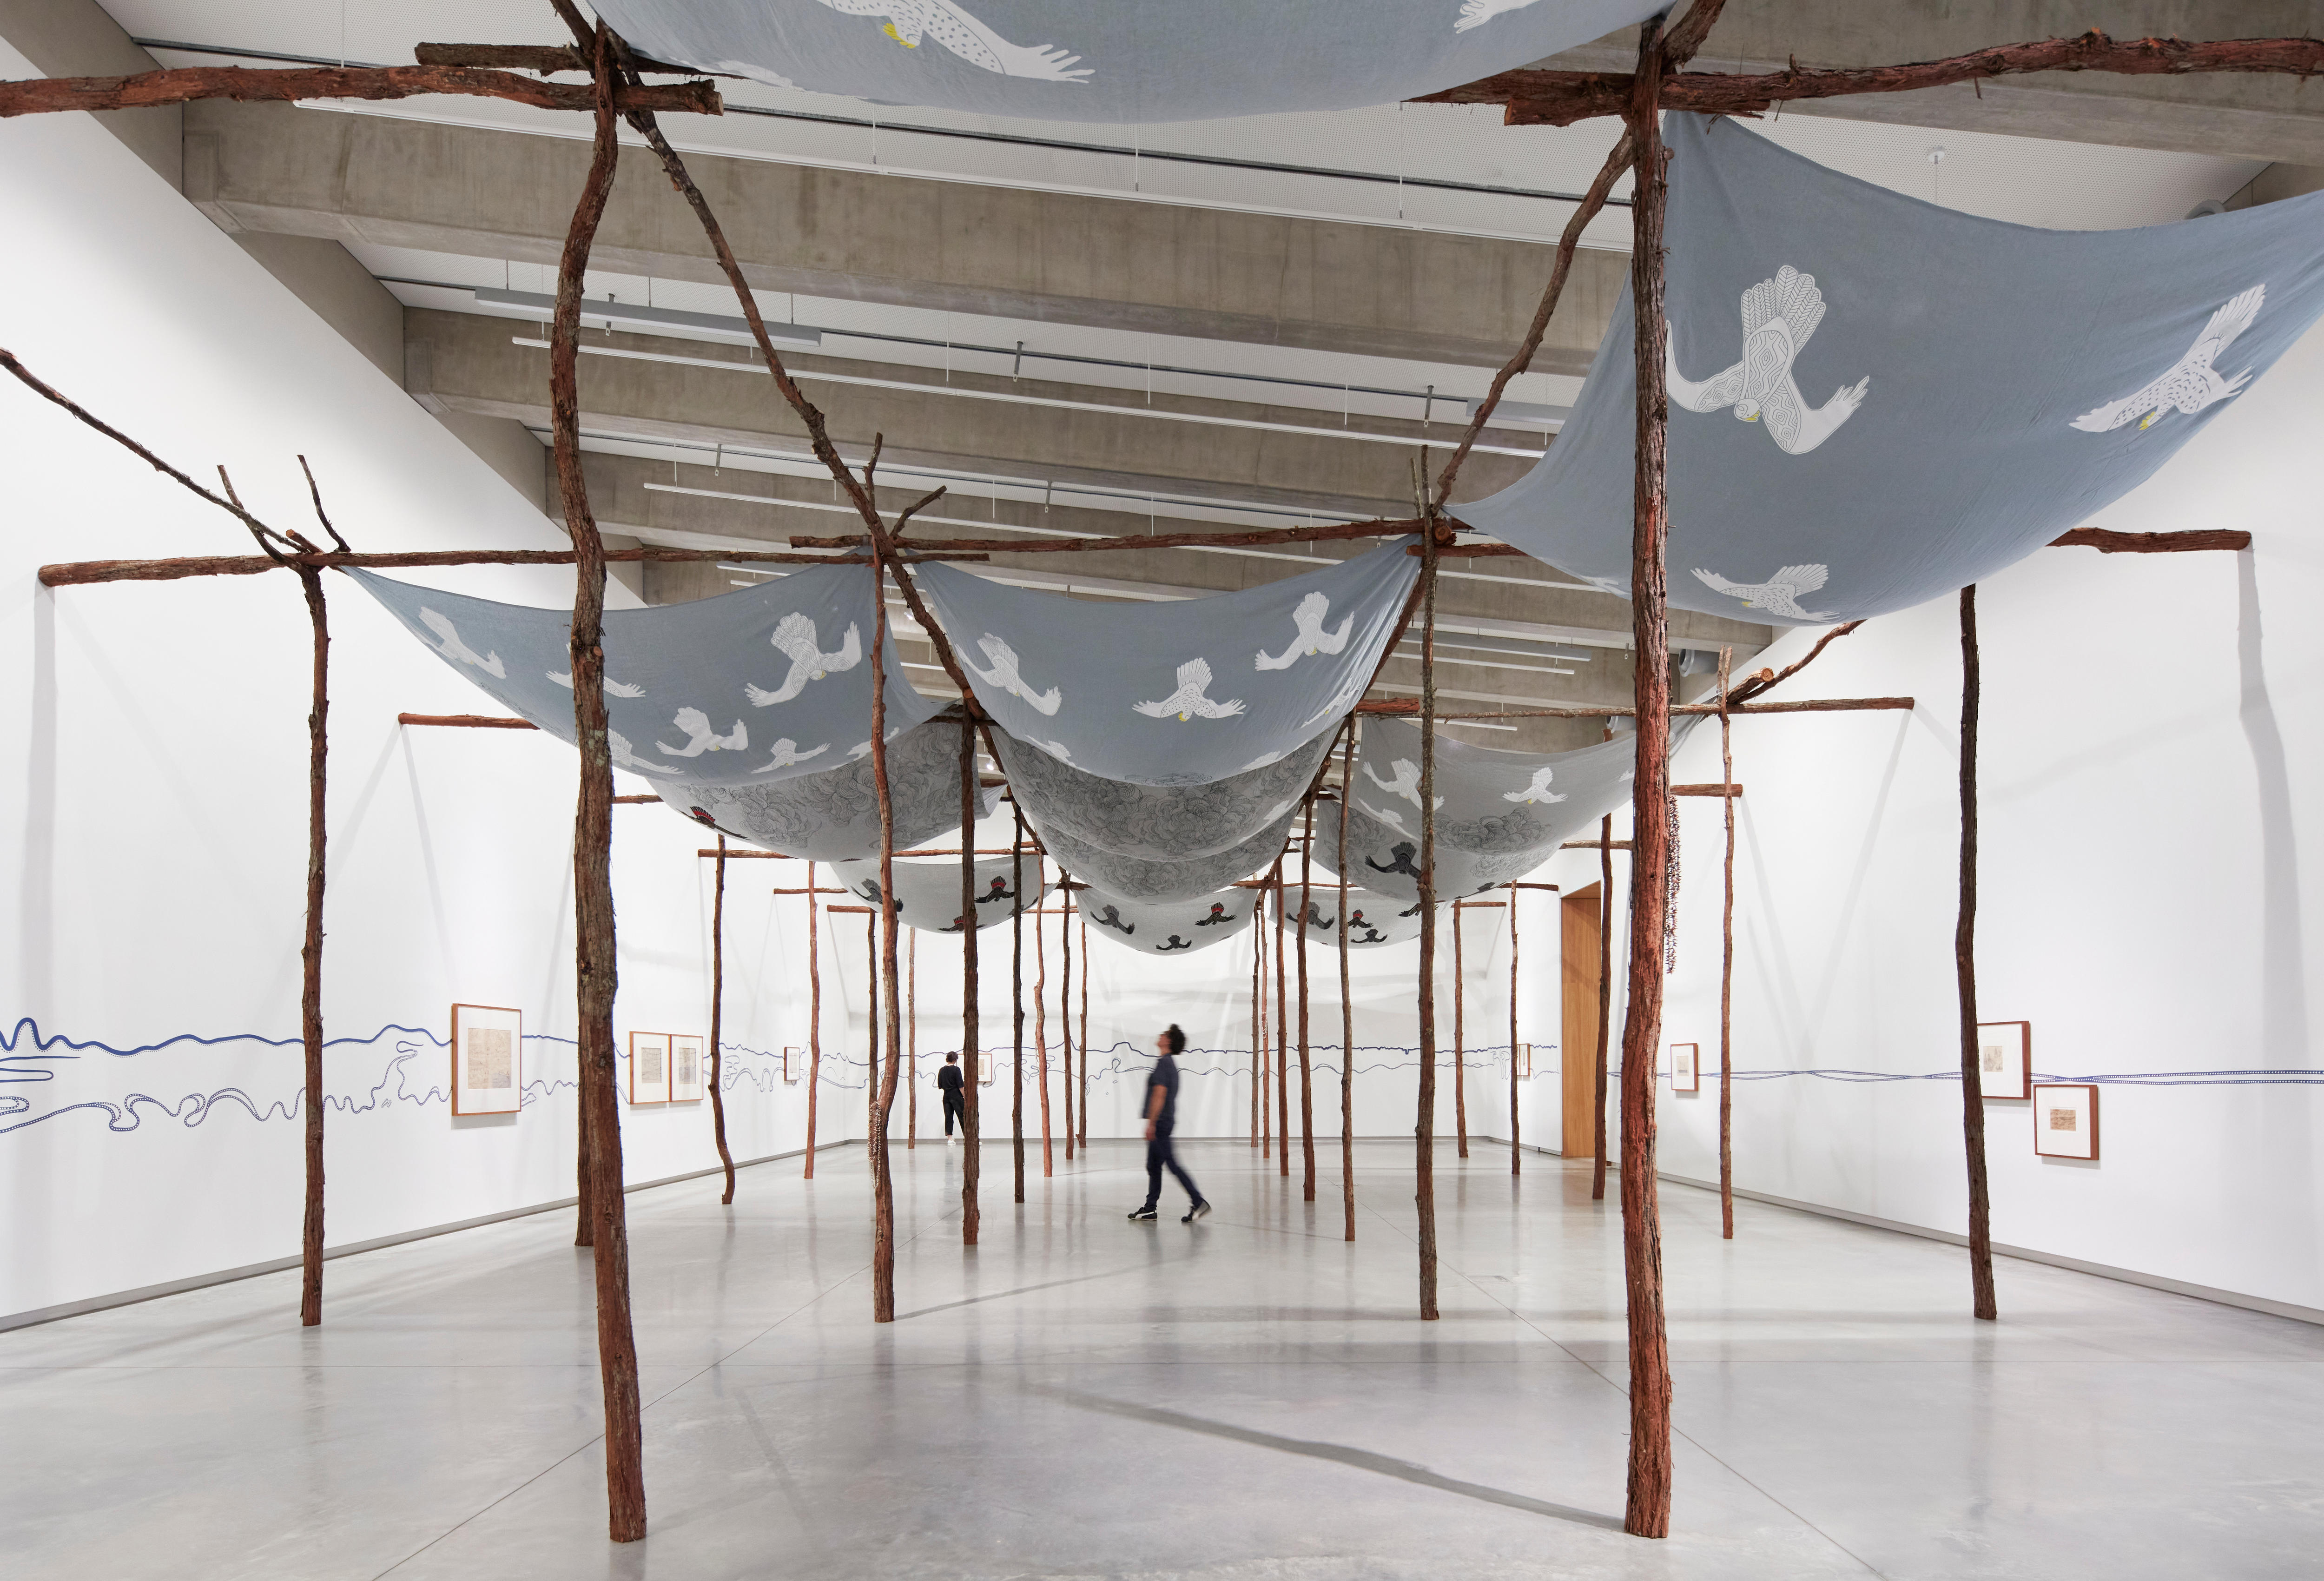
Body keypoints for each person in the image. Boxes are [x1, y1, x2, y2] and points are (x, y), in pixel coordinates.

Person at [1129, 1025, 1209, 1223]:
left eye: (1165, 1034)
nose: (1160, 1035)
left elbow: (1160, 1094)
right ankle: (1150, 1208)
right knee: (1154, 1166)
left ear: (1169, 1041)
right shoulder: (1168, 1063)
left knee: (1172, 1165)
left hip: (1161, 1124)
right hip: (1164, 1122)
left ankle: (1198, 1201)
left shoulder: (1165, 1064)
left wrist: (1152, 1124)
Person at [937, 1051, 966, 1142]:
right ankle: (968, 1137)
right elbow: (960, 1085)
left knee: (949, 1117)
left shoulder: (942, 1070)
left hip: (946, 1096)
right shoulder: (956, 1070)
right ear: (955, 1060)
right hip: (956, 1096)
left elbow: (940, 1084)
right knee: (963, 1116)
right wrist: (965, 1096)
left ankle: (950, 1139)